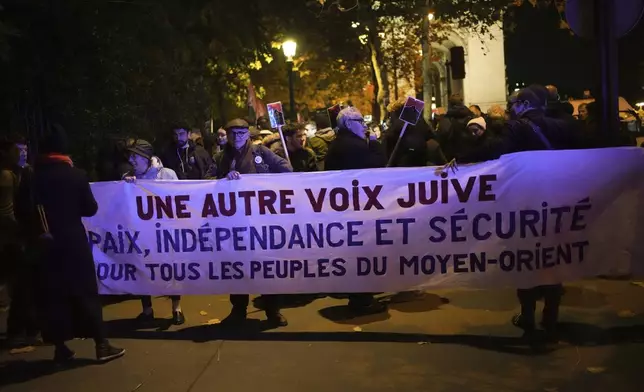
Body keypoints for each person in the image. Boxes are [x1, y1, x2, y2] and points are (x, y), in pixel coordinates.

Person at [19, 124, 124, 362]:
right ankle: (101, 344)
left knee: (52, 294)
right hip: (73, 242)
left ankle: (60, 347)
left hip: (45, 245)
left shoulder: (33, 177)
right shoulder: (76, 175)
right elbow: (90, 208)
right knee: (85, 292)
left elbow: (23, 210)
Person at [217, 118, 292, 328]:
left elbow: (286, 169)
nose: (238, 137)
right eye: (233, 133)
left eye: (242, 133)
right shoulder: (222, 157)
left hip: (261, 222)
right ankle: (238, 309)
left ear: (248, 135)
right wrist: (224, 178)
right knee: (237, 266)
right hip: (234, 222)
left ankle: (273, 310)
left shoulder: (261, 153)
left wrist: (265, 184)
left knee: (265, 265)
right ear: (228, 136)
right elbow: (208, 181)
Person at [324, 107, 387, 316]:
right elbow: (377, 165)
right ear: (350, 124)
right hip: (357, 210)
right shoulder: (355, 146)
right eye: (360, 121)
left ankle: (357, 296)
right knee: (362, 255)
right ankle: (362, 300)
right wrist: (376, 144)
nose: (364, 126)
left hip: (344, 210)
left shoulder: (337, 145)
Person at [123, 140, 184, 325]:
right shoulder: (128, 177)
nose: (131, 159)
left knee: (171, 269)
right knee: (142, 268)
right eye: (130, 155)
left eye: (135, 155)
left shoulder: (167, 175)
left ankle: (177, 308)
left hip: (165, 233)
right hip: (141, 234)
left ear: (146, 157)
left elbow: (180, 201)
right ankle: (147, 309)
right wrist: (126, 185)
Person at [384, 97, 447, 167]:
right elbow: (431, 135)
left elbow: (389, 140)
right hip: (420, 158)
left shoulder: (396, 124)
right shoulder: (419, 121)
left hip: (401, 161)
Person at [436, 94, 474, 161]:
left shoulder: (445, 120)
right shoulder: (472, 117)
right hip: (471, 155)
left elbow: (440, 139)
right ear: (462, 103)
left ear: (449, 104)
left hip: (452, 158)